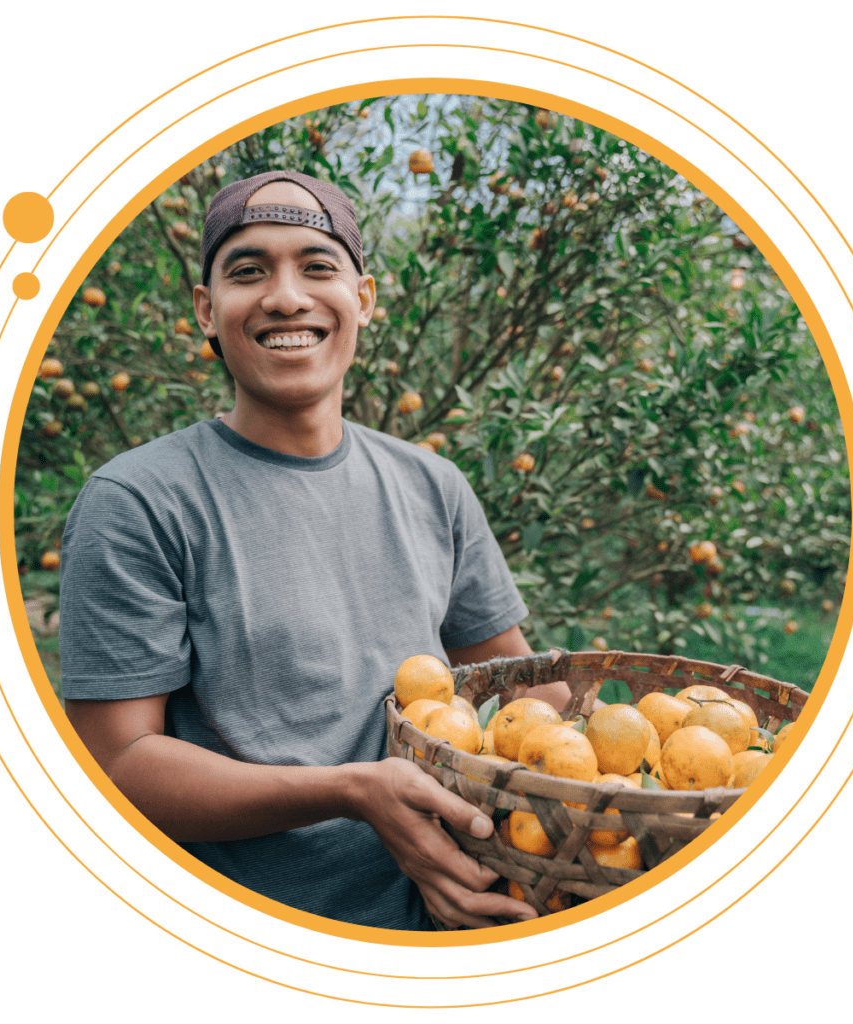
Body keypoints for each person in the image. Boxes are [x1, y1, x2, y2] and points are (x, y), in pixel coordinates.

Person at [60, 169, 574, 931]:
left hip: (456, 919)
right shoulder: (138, 501)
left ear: (362, 300)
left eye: (318, 265)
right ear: (207, 310)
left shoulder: (431, 485)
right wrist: (351, 790)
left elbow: (527, 690)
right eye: (247, 271)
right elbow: (118, 767)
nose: (286, 296)